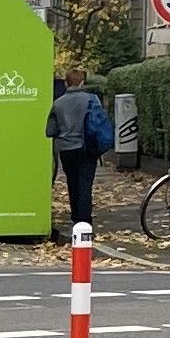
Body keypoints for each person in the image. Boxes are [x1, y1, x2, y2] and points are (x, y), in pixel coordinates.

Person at [48, 70, 113, 233]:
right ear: (82, 83)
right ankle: (84, 220)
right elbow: (99, 122)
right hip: (86, 147)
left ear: (66, 83)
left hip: (66, 149)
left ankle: (75, 216)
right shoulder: (92, 99)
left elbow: (50, 130)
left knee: (72, 183)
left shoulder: (58, 103)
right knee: (85, 184)